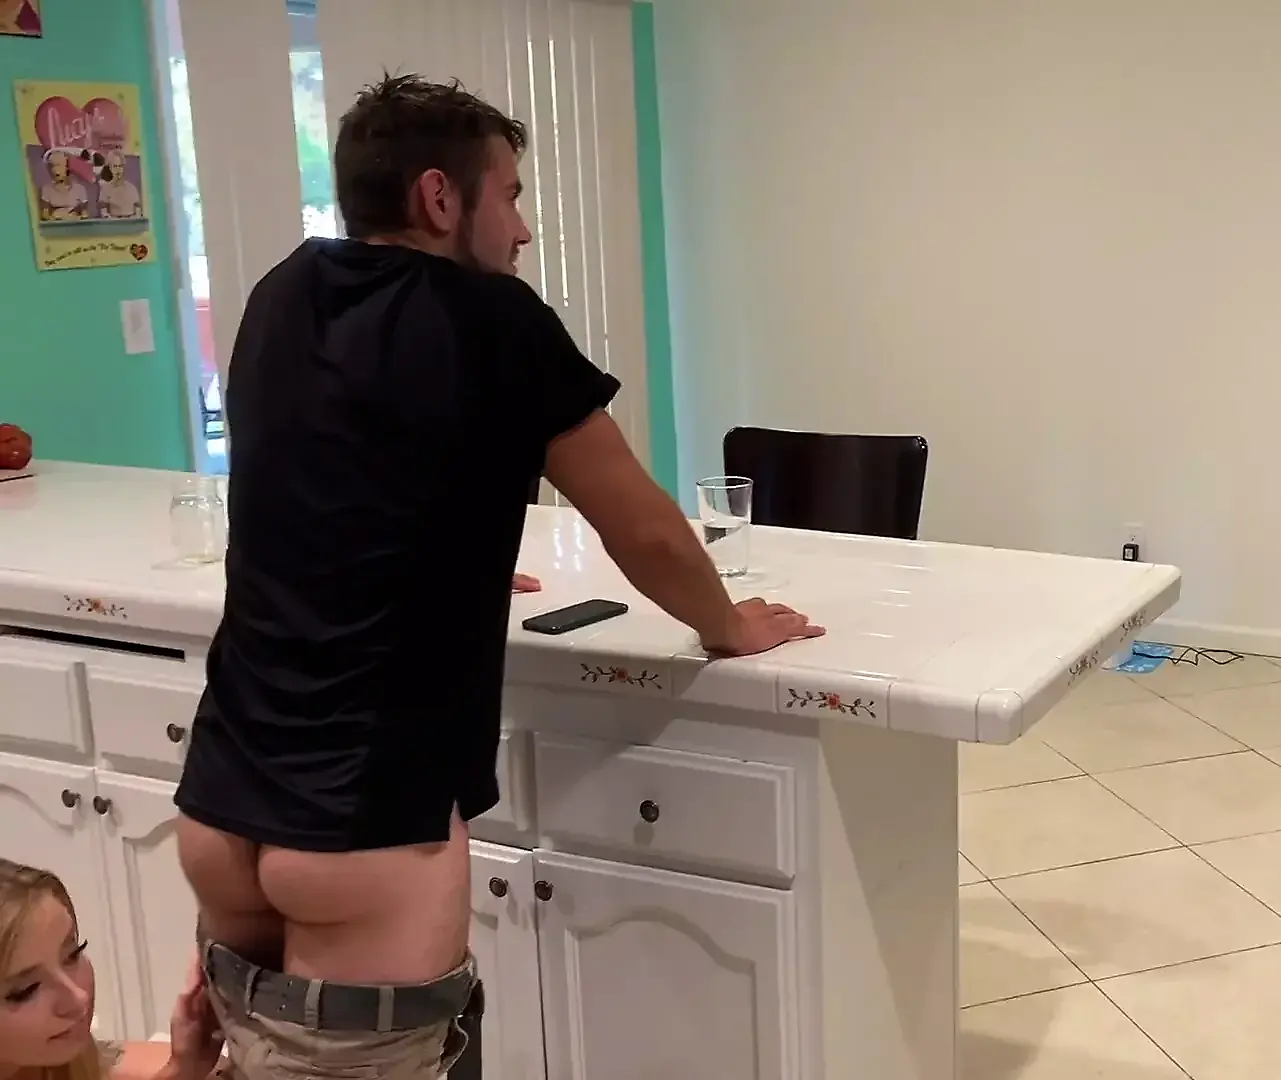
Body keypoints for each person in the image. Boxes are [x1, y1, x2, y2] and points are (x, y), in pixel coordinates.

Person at [170, 73, 823, 1078]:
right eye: (510, 195)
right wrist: (726, 623)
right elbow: (643, 530)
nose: (521, 230)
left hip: (221, 806)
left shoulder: (281, 293)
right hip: (367, 824)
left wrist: (454, 564)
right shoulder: (491, 317)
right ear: (440, 196)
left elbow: (325, 485)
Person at [0, 859, 226, 1080]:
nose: (79, 999)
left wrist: (184, 1067)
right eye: (25, 990)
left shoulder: (69, 1055)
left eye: (73, 954)